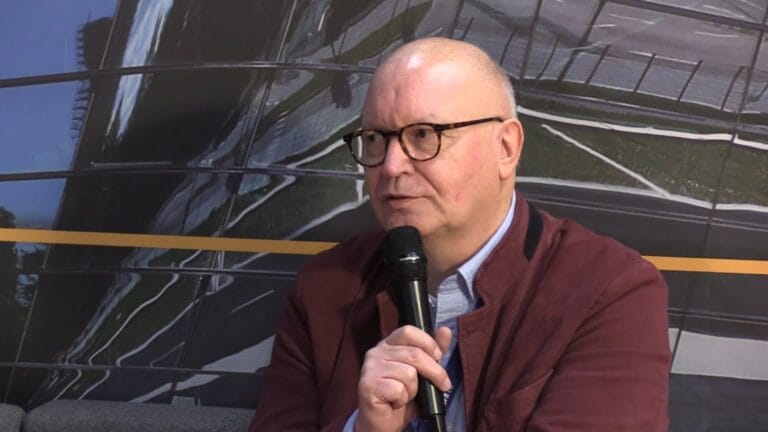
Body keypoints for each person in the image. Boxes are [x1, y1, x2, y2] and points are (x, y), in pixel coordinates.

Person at [250, 37, 670, 431]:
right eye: (376, 139)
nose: (391, 166)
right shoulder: (325, 289)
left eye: (423, 135)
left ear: (506, 147)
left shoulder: (608, 290)